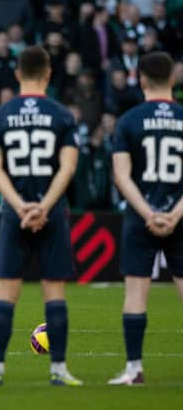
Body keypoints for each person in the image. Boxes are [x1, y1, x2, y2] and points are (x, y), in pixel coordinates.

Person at [0, 46, 81, 386]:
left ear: (17, 74)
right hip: (52, 214)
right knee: (54, 293)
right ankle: (59, 371)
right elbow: (68, 167)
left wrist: (20, 206)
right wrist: (44, 206)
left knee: (6, 293)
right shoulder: (63, 115)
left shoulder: (1, 116)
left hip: (12, 214)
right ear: (48, 73)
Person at [108, 51, 183, 385]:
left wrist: (150, 213)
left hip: (141, 217)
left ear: (140, 80)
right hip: (181, 216)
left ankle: (134, 368)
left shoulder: (129, 121)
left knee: (136, 293)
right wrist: (174, 214)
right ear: (173, 79)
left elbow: (122, 177)